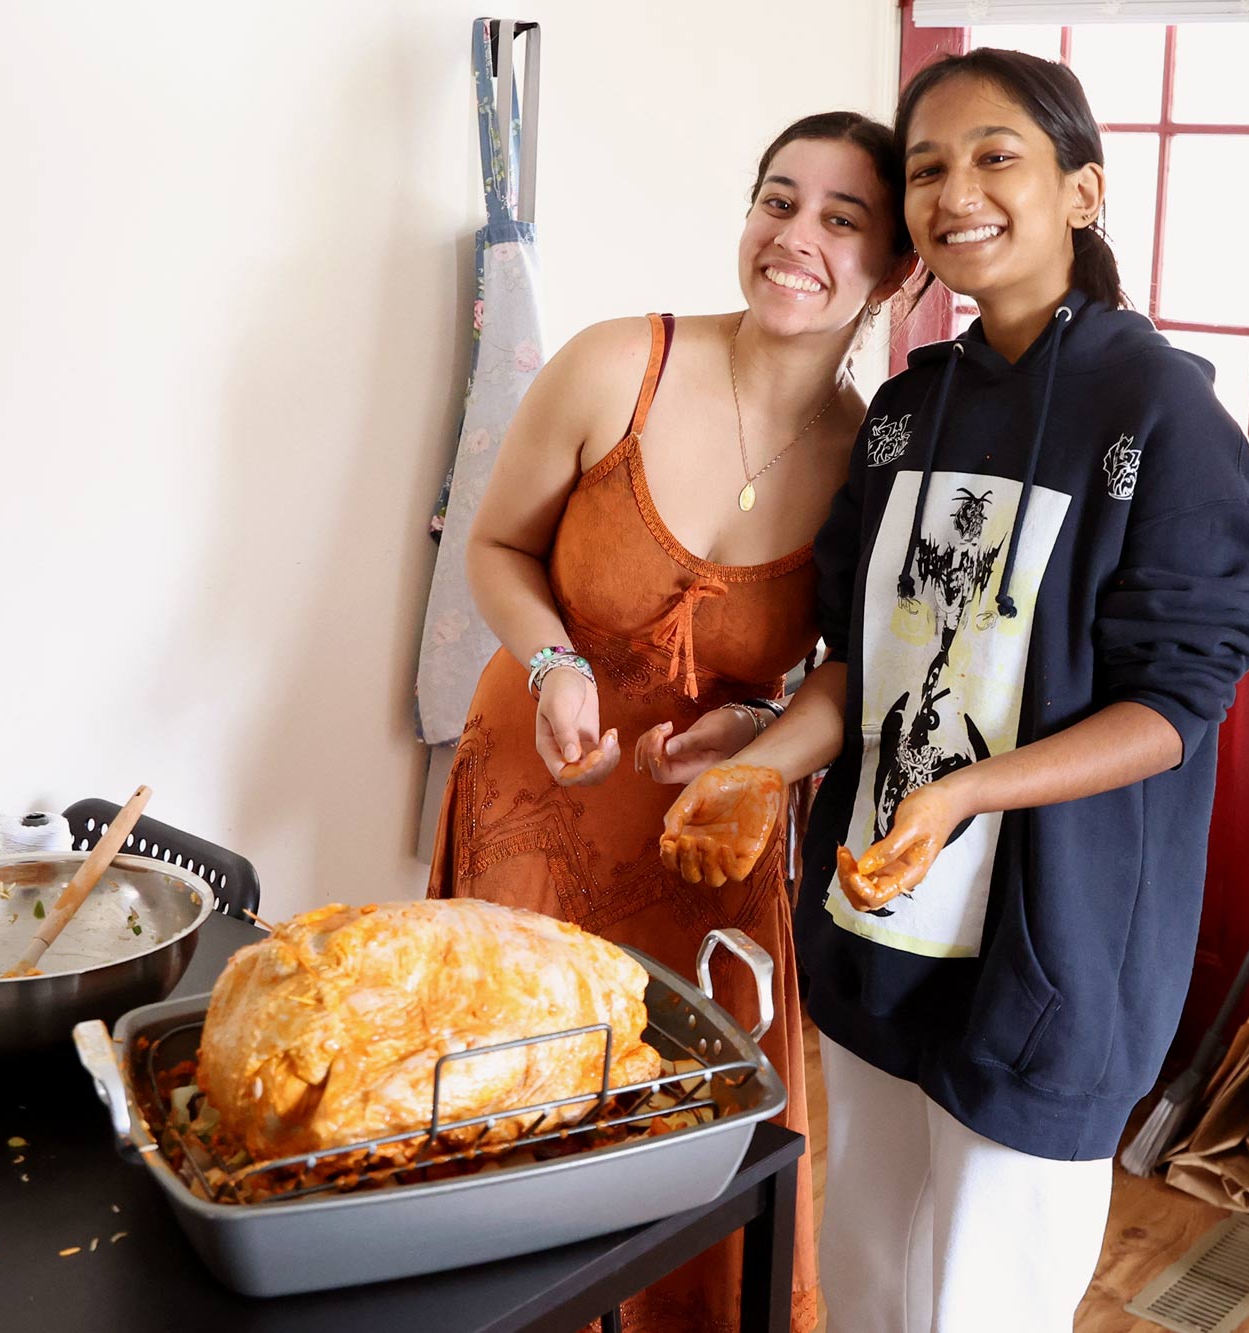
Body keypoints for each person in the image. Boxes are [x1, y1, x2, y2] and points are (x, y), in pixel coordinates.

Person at [661, 49, 1249, 1332]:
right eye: (929, 167)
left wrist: (962, 794)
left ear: (1080, 191)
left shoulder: (1160, 411)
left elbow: (1172, 710)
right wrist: (761, 763)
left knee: (979, 1303)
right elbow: (859, 658)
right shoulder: (906, 409)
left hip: (1051, 944)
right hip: (882, 918)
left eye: (995, 154)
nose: (956, 191)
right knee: (875, 1278)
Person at [429, 110, 917, 1333]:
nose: (794, 237)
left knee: (688, 1142)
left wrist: (752, 728)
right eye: (777, 199)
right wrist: (549, 660)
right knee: (510, 1109)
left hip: (710, 832)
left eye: (841, 220)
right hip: (536, 796)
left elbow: (832, 669)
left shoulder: (872, 460)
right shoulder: (617, 364)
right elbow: (492, 548)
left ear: (896, 271)